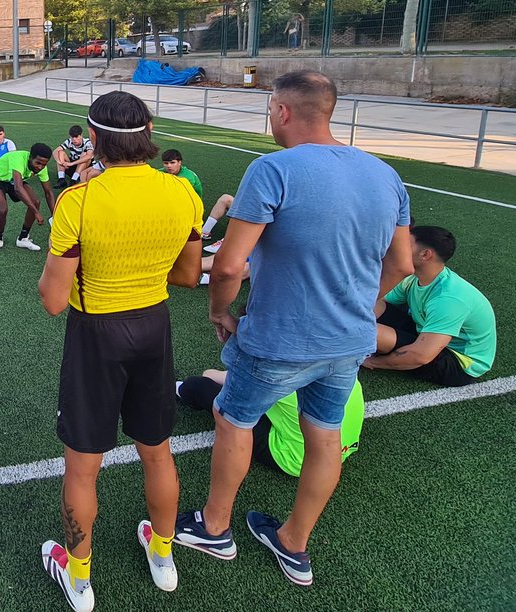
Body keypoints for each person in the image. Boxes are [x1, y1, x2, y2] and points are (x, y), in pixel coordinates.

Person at [175, 71, 412, 588]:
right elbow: (401, 265)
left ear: (282, 111)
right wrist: (363, 306)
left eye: (269, 110)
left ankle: (215, 528)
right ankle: (293, 544)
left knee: (233, 419)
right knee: (324, 437)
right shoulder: (385, 175)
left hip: (279, 338)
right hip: (349, 342)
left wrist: (219, 313)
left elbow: (231, 265)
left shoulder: (271, 169)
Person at [37, 92, 203, 605]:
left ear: (94, 138)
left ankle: (80, 577)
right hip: (154, 326)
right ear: (149, 130)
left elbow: (53, 300)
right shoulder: (182, 194)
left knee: (83, 465)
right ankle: (162, 554)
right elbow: (189, 276)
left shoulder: (78, 201)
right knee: (157, 452)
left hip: (96, 335)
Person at [364, 225, 496, 385]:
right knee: (369, 308)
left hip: (457, 362)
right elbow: (378, 302)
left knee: (367, 331)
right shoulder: (415, 279)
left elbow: (421, 356)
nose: (396, 248)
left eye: (406, 244)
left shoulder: (449, 299)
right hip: (426, 333)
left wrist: (374, 362)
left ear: (425, 255)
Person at [177, 370, 363, 477]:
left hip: (295, 461)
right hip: (337, 452)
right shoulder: (343, 368)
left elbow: (211, 375)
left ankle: (179, 390)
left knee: (198, 386)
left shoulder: (275, 372)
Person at [0, 143, 56, 253]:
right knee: (2, 209)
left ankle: (23, 238)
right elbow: (18, 188)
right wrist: (36, 212)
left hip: (12, 180)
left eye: (44, 165)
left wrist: (55, 216)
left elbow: (48, 192)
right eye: (38, 163)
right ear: (30, 157)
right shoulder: (18, 158)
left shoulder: (41, 168)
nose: (40, 167)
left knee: (35, 201)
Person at [53, 125, 94, 190]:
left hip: (84, 169)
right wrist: (60, 162)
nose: (74, 139)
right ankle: (61, 179)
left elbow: (89, 156)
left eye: (76, 137)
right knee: (60, 152)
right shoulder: (69, 141)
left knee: (84, 154)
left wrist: (72, 164)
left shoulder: (87, 142)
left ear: (81, 135)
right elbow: (55, 151)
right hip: (72, 167)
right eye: (72, 137)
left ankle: (73, 180)